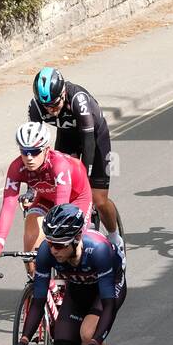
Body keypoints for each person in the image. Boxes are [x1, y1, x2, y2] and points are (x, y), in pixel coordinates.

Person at [13, 204, 127, 345]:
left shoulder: (99, 250)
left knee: (87, 333)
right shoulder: (47, 252)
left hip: (107, 290)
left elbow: (108, 305)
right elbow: (37, 301)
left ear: (76, 239)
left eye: (58, 244)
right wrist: (24, 340)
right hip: (78, 290)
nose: (52, 249)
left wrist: (95, 342)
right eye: (49, 242)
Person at [29, 68, 122, 251]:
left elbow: (88, 141)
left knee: (98, 199)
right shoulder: (36, 107)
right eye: (46, 106)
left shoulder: (77, 99)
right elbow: (34, 148)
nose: (51, 110)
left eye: (55, 105)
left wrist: (84, 175)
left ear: (63, 92)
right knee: (61, 186)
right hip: (67, 138)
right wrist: (31, 187)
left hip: (94, 138)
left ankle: (115, 237)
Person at [0, 121, 92, 276]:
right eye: (24, 151)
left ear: (46, 150)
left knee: (69, 247)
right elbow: (8, 205)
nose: (29, 157)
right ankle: (36, 281)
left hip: (76, 198)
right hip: (46, 197)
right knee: (30, 235)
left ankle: (77, 281)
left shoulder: (58, 165)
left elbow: (61, 208)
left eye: (34, 152)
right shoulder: (16, 168)